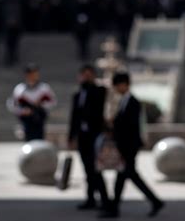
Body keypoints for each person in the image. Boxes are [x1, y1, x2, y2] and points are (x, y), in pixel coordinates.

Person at [99, 72, 164, 218]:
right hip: (126, 146)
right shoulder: (124, 100)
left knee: (126, 176)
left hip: (129, 147)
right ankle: (153, 202)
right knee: (125, 176)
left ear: (123, 84)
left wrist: (114, 126)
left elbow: (130, 126)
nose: (115, 89)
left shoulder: (132, 102)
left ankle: (115, 208)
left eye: (117, 85)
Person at [68, 65, 109, 210]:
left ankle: (105, 200)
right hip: (82, 137)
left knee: (96, 169)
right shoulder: (78, 95)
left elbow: (100, 107)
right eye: (83, 75)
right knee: (87, 170)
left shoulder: (98, 91)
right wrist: (71, 137)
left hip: (95, 136)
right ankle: (90, 198)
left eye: (89, 75)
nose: (86, 78)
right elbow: (74, 118)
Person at [7, 63, 57, 141]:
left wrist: (40, 105)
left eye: (34, 74)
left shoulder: (44, 88)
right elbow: (12, 104)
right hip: (26, 120)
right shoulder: (19, 89)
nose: (32, 76)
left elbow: (52, 102)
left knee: (39, 140)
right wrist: (22, 111)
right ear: (26, 75)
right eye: (30, 74)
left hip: (39, 119)